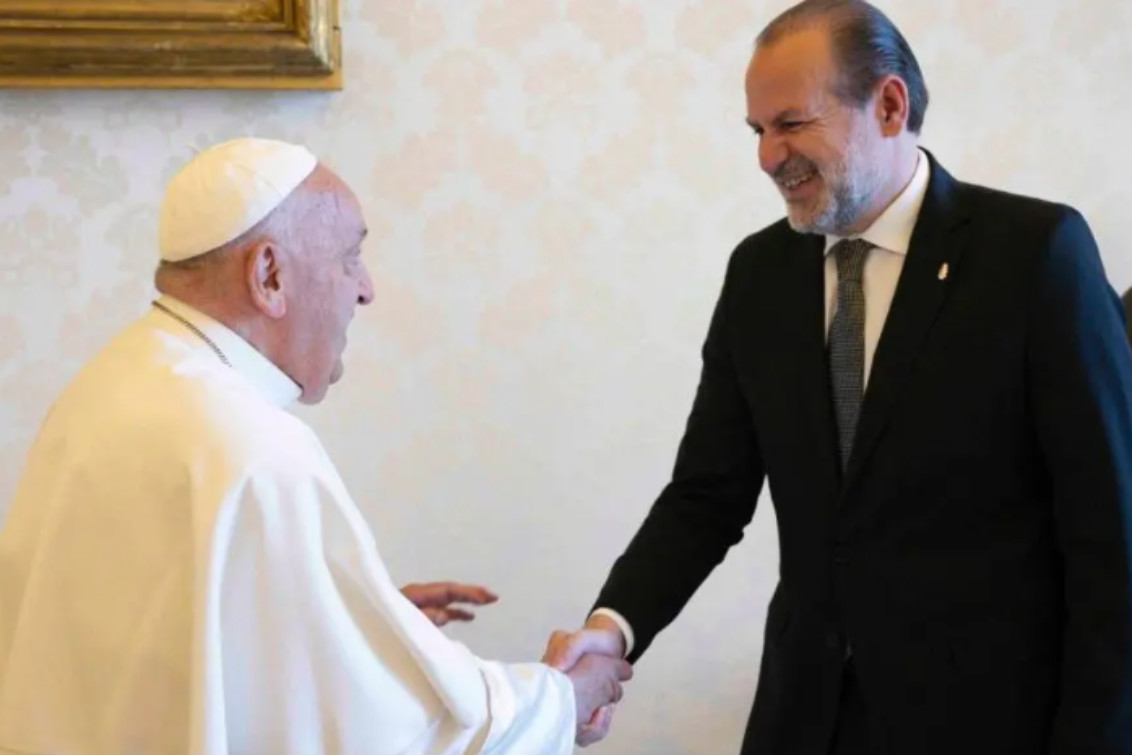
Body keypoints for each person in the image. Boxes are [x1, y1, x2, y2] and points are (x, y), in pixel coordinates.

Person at [544, 1, 1132, 753]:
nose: (767, 156)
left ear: (889, 105)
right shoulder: (760, 272)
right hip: (805, 717)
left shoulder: (1035, 255)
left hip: (988, 721)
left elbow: (1111, 542)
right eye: (757, 131)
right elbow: (706, 495)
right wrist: (612, 628)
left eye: (791, 124)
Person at [0, 137, 630, 755]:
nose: (366, 289)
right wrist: (561, 698)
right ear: (270, 275)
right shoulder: (250, 446)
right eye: (350, 257)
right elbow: (386, 737)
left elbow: (155, 640)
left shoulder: (111, 383)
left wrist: (346, 620)